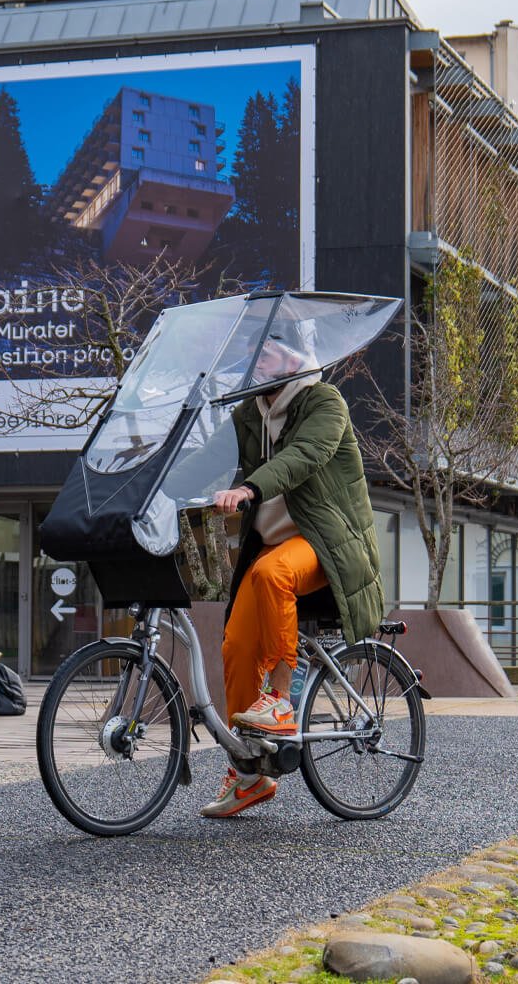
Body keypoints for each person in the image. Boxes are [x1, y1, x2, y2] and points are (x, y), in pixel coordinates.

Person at [198, 323, 384, 818]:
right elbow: (207, 459)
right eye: (253, 354)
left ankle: (280, 699)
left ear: (294, 357)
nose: (256, 361)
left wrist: (250, 489)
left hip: (326, 542)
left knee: (272, 574)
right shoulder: (250, 413)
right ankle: (249, 773)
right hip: (274, 545)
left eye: (267, 352)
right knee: (235, 648)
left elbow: (305, 457)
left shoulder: (324, 402)